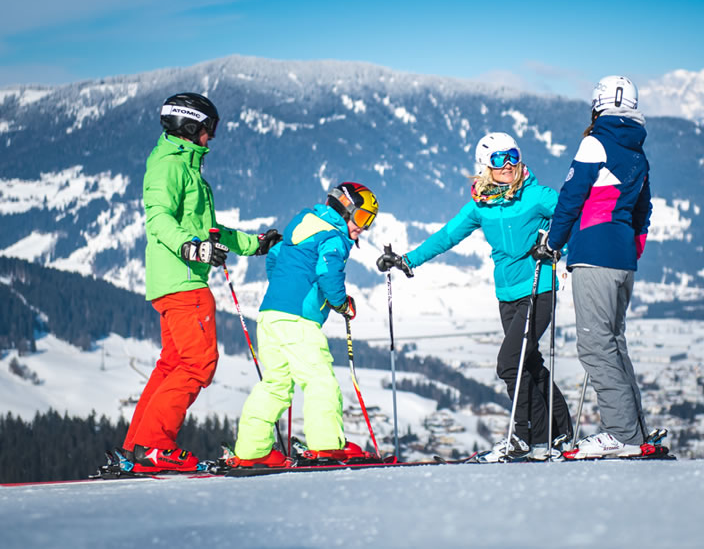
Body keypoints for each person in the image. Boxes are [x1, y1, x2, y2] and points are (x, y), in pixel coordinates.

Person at [378, 133, 573, 461]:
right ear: (485, 166)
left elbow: (572, 217)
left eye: (513, 155)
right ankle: (561, 432)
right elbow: (447, 236)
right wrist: (407, 260)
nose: (508, 164)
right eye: (499, 158)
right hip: (507, 296)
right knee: (528, 363)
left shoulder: (537, 195)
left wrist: (557, 246)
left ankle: (531, 439)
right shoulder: (481, 206)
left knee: (509, 364)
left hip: (538, 289)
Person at [122, 92, 281, 472]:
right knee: (199, 363)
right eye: (208, 129)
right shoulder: (170, 167)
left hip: (174, 280)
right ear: (189, 126)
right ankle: (154, 445)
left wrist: (253, 244)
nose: (211, 137)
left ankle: (137, 447)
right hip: (183, 282)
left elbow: (207, 229)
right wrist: (191, 248)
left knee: (172, 365)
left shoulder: (185, 167)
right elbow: (158, 220)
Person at [536, 75, 654, 459]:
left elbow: (571, 197)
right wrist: (632, 248)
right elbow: (643, 210)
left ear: (597, 104)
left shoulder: (595, 143)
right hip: (622, 261)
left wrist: (553, 243)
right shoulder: (637, 151)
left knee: (595, 347)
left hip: (593, 254)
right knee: (614, 344)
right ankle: (637, 432)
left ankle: (622, 434)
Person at [226, 182, 379, 468]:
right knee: (319, 380)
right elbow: (328, 272)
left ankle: (251, 450)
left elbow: (275, 257)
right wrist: (342, 304)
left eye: (369, 221)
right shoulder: (333, 236)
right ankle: (327, 446)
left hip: (270, 315)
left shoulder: (301, 225)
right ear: (344, 209)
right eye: (361, 217)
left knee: (275, 385)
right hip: (298, 321)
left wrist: (287, 288)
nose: (363, 227)